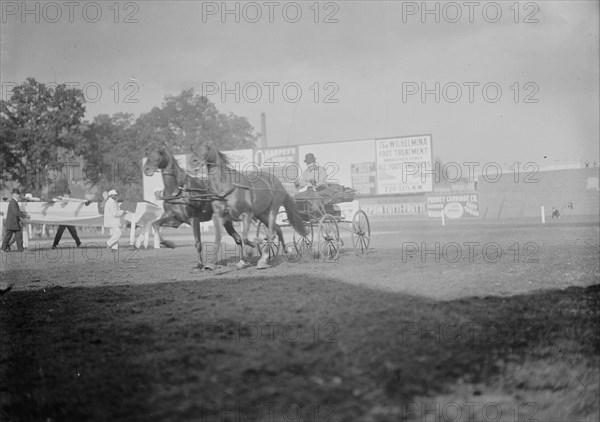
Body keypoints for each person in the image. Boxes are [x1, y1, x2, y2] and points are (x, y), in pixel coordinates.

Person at [1, 188, 29, 252]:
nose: (19, 195)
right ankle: (3, 249)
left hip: (14, 222)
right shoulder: (13, 202)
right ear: (15, 194)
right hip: (12, 223)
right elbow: (16, 212)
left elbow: (16, 212)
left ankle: (20, 249)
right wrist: (24, 216)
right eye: (18, 194)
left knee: (18, 236)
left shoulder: (13, 201)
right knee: (8, 237)